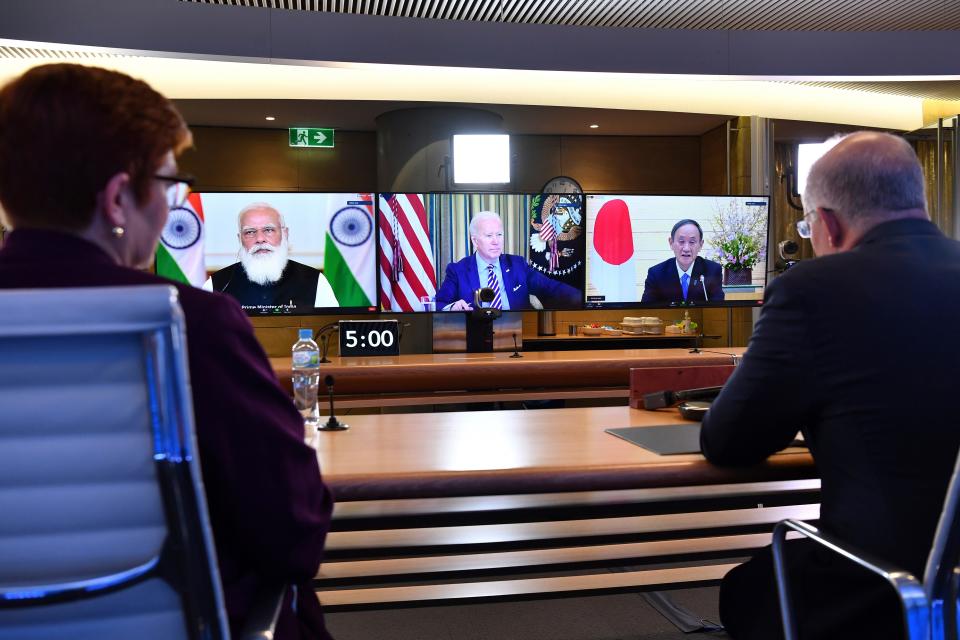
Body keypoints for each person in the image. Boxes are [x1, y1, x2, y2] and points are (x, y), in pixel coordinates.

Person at [0, 64, 334, 640]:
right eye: (168, 185)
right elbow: (294, 534)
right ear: (117, 200)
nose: (171, 209)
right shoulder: (193, 324)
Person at [700, 131, 960, 639]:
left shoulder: (812, 292)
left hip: (883, 587)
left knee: (744, 591)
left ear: (827, 224)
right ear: (920, 203)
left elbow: (728, 442)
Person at [435, 211, 581, 311]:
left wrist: (583, 299)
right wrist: (452, 307)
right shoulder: (457, 270)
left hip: (516, 334)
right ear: (475, 240)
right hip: (474, 337)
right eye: (489, 236)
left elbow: (550, 287)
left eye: (499, 234)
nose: (496, 241)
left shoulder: (517, 265)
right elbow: (438, 303)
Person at [204, 203, 338, 311]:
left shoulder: (316, 282)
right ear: (240, 239)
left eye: (268, 230)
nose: (260, 239)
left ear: (285, 234)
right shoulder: (216, 285)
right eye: (250, 232)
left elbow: (331, 333)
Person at [640, 218, 724, 304]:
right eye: (681, 241)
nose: (686, 248)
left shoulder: (713, 270)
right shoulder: (656, 273)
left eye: (692, 242)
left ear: (700, 245)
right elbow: (646, 310)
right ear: (671, 243)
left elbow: (718, 309)